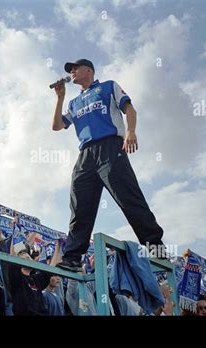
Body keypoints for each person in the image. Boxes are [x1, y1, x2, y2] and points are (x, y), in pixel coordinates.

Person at [52, 59, 165, 272]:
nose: (72, 72)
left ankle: (156, 248)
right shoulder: (73, 102)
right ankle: (73, 258)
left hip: (111, 147)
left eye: (75, 68)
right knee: (79, 207)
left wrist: (131, 131)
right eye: (70, 70)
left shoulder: (108, 86)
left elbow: (130, 109)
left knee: (129, 198)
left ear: (89, 70)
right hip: (85, 155)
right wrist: (60, 98)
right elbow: (57, 126)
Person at [7, 238, 61, 316]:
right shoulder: (17, 278)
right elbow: (12, 257)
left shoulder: (36, 279)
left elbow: (52, 268)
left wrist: (58, 245)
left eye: (29, 258)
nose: (30, 260)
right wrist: (15, 233)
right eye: (26, 258)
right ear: (18, 262)